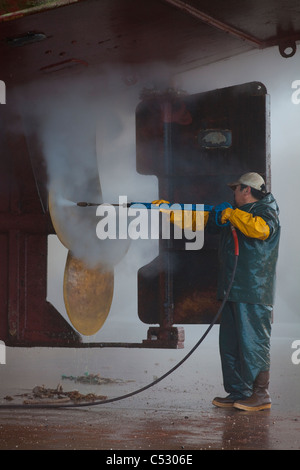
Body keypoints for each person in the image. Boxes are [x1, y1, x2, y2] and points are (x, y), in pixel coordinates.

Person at [210, 172, 281, 411]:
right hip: (232, 290)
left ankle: (260, 394)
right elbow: (204, 221)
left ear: (247, 190)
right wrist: (168, 211)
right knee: (231, 344)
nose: (233, 193)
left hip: (253, 290)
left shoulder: (266, 212)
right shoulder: (236, 214)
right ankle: (239, 392)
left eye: (236, 189)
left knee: (254, 343)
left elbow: (261, 230)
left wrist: (231, 214)